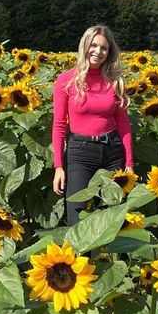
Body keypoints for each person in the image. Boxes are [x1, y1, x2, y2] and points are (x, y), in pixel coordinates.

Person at [52, 25, 134, 225]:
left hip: (112, 150)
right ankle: (83, 257)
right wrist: (58, 167)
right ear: (85, 46)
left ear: (109, 52)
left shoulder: (114, 81)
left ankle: (109, 257)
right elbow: (59, 125)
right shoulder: (66, 80)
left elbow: (123, 124)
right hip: (81, 152)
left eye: (104, 48)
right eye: (94, 45)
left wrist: (129, 164)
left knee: (114, 217)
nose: (98, 51)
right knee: (76, 214)